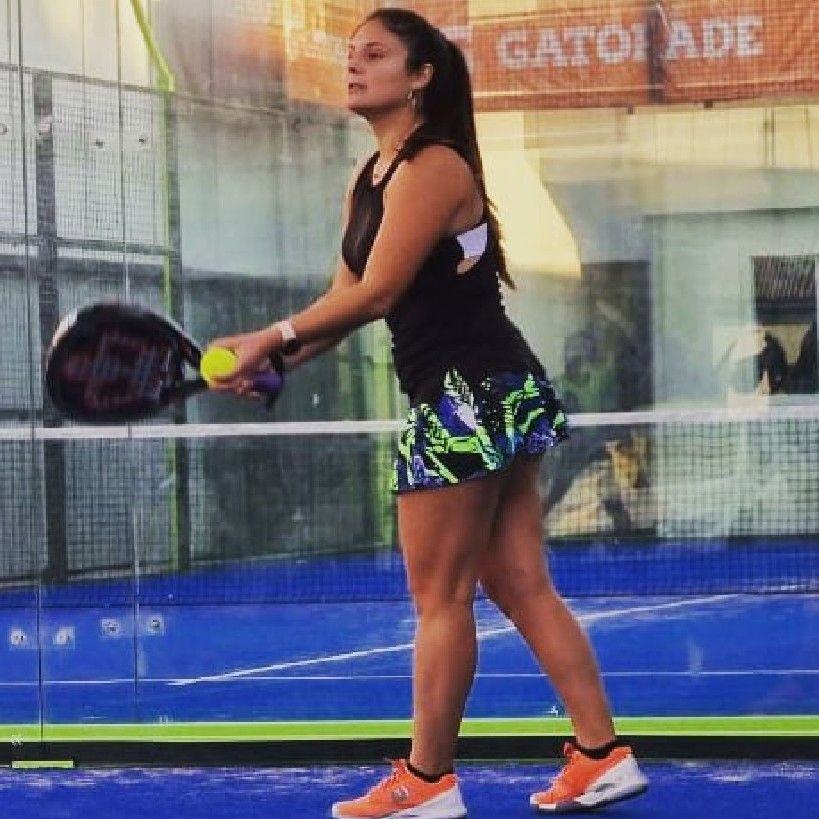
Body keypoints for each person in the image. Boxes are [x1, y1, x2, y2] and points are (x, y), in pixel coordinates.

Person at [209, 8, 648, 817]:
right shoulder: (369, 177)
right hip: (487, 388)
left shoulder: (435, 166)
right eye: (351, 54)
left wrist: (267, 336)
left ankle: (427, 779)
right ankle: (601, 754)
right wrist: (276, 361)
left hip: (466, 393)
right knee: (518, 582)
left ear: (420, 77)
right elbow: (348, 298)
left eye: (375, 54)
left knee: (440, 597)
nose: (353, 65)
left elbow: (377, 293)